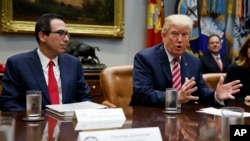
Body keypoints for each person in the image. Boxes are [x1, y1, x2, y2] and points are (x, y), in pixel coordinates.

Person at [130, 14, 242, 107]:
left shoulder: (194, 61)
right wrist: (175, 98)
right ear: (163, 36)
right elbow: (142, 93)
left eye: (184, 35)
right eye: (174, 34)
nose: (180, 40)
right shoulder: (145, 58)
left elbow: (200, 91)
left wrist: (216, 95)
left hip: (184, 121)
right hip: (149, 117)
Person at [0, 13, 92, 111]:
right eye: (60, 33)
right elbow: (8, 102)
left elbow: (85, 99)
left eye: (66, 34)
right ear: (42, 36)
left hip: (67, 124)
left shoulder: (73, 63)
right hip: (33, 124)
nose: (66, 39)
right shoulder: (17, 64)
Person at [225, 35, 250, 101]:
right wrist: (245, 99)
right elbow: (227, 97)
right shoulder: (234, 69)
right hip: (240, 109)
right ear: (246, 50)